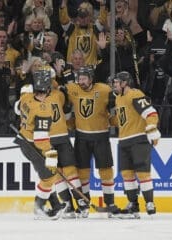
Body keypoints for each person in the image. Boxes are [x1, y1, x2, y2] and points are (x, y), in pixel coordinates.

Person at [63, 66, 119, 217]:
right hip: (81, 137)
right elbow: (58, 92)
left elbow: (116, 108)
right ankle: (85, 205)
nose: (81, 81)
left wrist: (116, 111)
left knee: (106, 171)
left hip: (101, 137)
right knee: (82, 173)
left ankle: (110, 204)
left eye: (84, 78)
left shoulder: (104, 90)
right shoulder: (72, 89)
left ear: (91, 78)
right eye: (79, 78)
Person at [14, 70, 65, 220]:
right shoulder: (44, 109)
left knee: (48, 174)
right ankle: (39, 207)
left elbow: (17, 109)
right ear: (48, 88)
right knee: (49, 177)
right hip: (33, 145)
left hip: (24, 140)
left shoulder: (26, 97)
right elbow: (41, 139)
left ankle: (55, 205)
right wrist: (51, 154)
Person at [111, 71, 160, 219]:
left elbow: (151, 113)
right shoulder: (118, 99)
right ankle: (133, 205)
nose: (114, 85)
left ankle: (150, 202)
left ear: (125, 83)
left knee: (142, 173)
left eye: (117, 82)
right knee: (127, 174)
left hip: (139, 139)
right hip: (124, 140)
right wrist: (106, 120)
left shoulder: (135, 94)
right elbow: (122, 119)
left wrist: (151, 128)